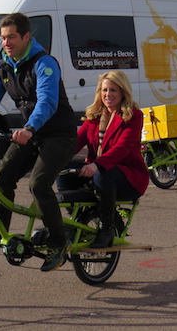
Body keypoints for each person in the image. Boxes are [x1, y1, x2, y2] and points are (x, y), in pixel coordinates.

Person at [0, 13, 77, 271]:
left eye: (12, 37)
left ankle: (58, 242)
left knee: (39, 184)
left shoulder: (44, 63)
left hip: (59, 135)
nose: (6, 43)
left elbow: (47, 101)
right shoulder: (4, 66)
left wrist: (29, 127)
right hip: (31, 133)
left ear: (26, 37)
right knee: (1, 177)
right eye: (3, 38)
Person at [57, 71, 149, 248]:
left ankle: (107, 228)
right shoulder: (95, 116)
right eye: (105, 90)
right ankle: (75, 220)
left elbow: (122, 149)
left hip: (127, 176)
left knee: (101, 175)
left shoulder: (133, 116)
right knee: (63, 168)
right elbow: (75, 143)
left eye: (113, 90)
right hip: (98, 170)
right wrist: (52, 158)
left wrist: (97, 165)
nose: (108, 95)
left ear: (123, 92)